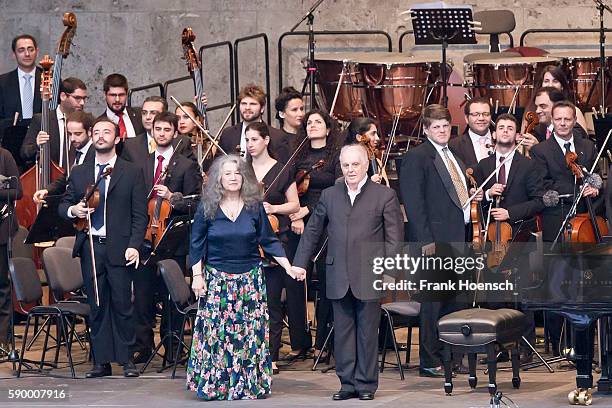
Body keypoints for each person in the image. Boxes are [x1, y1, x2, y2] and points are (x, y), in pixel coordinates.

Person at [187, 154, 304, 400]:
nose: (232, 177)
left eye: (237, 173)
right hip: (217, 280)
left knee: (248, 336)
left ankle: (247, 384)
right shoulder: (207, 207)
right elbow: (196, 244)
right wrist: (197, 276)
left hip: (249, 281)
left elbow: (269, 241)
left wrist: (288, 267)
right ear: (218, 178)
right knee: (218, 335)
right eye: (227, 173)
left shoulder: (254, 207)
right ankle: (216, 385)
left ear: (245, 178)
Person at [292, 143, 403, 401]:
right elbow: (313, 231)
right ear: (340, 166)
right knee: (342, 333)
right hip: (337, 273)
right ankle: (347, 383)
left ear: (366, 165)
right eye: (345, 165)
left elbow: (394, 240)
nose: (350, 169)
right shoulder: (330, 194)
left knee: (367, 333)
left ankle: (365, 384)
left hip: (370, 274)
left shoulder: (384, 195)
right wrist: (300, 263)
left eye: (355, 164)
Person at [58, 117, 147, 378]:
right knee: (97, 305)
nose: (100, 136)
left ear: (117, 138)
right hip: (92, 247)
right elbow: (63, 205)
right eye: (96, 132)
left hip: (120, 247)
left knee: (122, 303)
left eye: (106, 132)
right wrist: (74, 210)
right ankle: (101, 361)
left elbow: (139, 215)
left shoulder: (131, 171)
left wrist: (135, 246)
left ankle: (126, 359)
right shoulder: (80, 171)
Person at [400, 103, 483, 378]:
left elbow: (457, 197)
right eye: (436, 127)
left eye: (446, 126)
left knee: (455, 302)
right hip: (434, 243)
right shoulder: (417, 157)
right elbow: (414, 204)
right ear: (426, 130)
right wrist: (427, 243)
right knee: (433, 303)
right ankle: (429, 359)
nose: (442, 131)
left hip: (459, 240)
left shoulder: (454, 155)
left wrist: (473, 196)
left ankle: (451, 356)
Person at [245, 121, 306, 374]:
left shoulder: (282, 170)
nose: (250, 145)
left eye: (254, 140)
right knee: (249, 304)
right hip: (246, 243)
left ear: (266, 140)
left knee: (271, 302)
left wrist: (273, 208)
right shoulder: (241, 170)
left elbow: (294, 204)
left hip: (275, 240)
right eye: (247, 140)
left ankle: (270, 356)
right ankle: (249, 353)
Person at [287, 109, 341, 362]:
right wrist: (294, 213)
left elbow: (334, 188)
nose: (312, 125)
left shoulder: (335, 157)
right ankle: (299, 341)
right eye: (309, 123)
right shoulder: (297, 155)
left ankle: (323, 341)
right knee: (295, 281)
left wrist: (305, 211)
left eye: (318, 122)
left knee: (326, 281)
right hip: (296, 222)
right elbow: (287, 186)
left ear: (328, 129)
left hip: (324, 224)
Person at [474, 113, 545, 236]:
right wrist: (488, 194)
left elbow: (539, 201)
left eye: (510, 128)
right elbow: (476, 201)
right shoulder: (483, 165)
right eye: (501, 128)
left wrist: (510, 213)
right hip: (490, 235)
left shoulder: (529, 165)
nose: (505, 131)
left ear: (517, 136)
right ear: (494, 134)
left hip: (520, 235)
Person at [20, 77, 88, 169]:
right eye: (77, 98)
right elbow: (24, 153)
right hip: (50, 178)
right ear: (63, 96)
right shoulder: (41, 120)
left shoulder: (86, 122)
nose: (82, 102)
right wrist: (36, 144)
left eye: (84, 98)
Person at [32, 111, 95, 204]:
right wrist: (47, 190)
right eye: (70, 134)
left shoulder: (96, 152)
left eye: (78, 134)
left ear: (89, 132)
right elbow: (67, 178)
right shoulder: (74, 149)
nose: (72, 138)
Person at [218, 84, 286, 161]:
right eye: (244, 104)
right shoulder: (228, 134)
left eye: (252, 104)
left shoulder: (277, 137)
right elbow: (218, 166)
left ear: (262, 108)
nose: (247, 108)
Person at [518, 87, 588, 156]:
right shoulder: (539, 129)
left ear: (556, 106)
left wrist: (538, 147)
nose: (537, 111)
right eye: (537, 106)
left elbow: (568, 158)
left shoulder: (572, 130)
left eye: (543, 106)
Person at [0, 146, 22, 353]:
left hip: (1, 227)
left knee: (1, 286)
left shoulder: (4, 155)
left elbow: (18, 191)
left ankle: (2, 340)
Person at [522, 65, 588, 132]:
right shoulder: (532, 108)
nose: (550, 85)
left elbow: (582, 139)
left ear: (562, 86)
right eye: (546, 81)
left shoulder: (574, 111)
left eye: (555, 81)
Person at [0, 34, 42, 129]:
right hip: (11, 139)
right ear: (14, 54)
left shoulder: (49, 79)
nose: (27, 54)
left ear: (37, 52)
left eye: (31, 49)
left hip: (43, 136)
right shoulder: (2, 82)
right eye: (21, 50)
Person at [448, 97, 494, 172]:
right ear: (466, 118)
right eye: (475, 114)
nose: (481, 118)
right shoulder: (454, 145)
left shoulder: (502, 141)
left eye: (486, 114)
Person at [99, 73, 144, 140]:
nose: (117, 99)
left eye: (121, 95)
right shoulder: (99, 124)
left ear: (126, 94)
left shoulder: (140, 115)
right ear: (105, 95)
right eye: (113, 95)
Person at [345, 117, 386, 184]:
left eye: (377, 134)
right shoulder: (348, 163)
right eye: (373, 134)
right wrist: (369, 184)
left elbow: (388, 187)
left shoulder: (376, 161)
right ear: (359, 137)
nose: (378, 138)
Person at [274, 86, 304, 157]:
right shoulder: (276, 139)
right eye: (294, 110)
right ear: (282, 114)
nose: (300, 114)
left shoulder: (307, 137)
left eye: (302, 109)